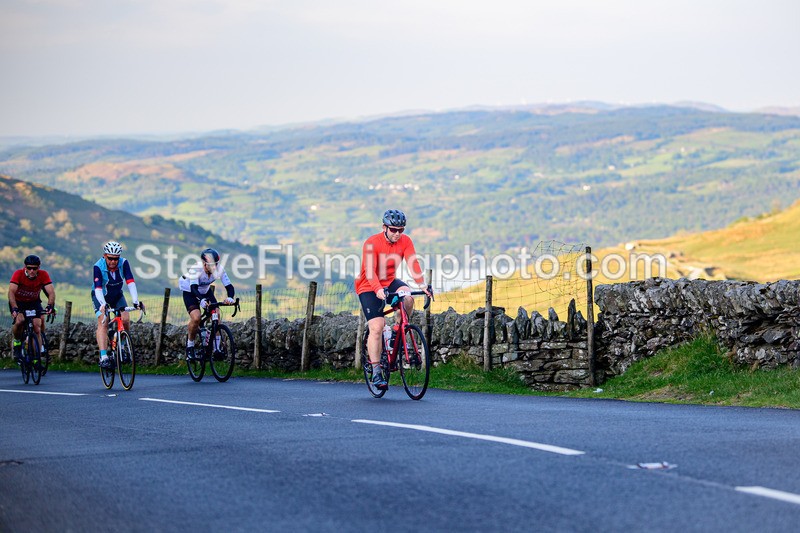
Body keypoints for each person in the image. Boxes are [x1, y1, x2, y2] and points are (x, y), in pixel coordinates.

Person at [355, 209, 432, 390]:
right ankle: (376, 371)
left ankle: (397, 333)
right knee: (377, 326)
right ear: (384, 227)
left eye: (401, 230)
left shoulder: (405, 241)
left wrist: (421, 285)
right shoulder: (371, 243)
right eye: (393, 230)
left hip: (389, 281)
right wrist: (377, 290)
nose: (397, 234)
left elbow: (413, 263)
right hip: (368, 285)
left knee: (408, 298)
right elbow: (370, 271)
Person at [92, 241, 144, 368]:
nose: (113, 261)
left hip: (117, 295)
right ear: (105, 256)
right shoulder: (98, 266)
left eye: (116, 259)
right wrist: (103, 304)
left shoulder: (124, 263)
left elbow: (130, 282)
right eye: (110, 258)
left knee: (125, 319)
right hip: (100, 297)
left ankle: (122, 347)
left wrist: (136, 301)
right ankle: (104, 357)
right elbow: (98, 289)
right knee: (103, 322)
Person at [179, 248, 236, 360]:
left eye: (215, 265)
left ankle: (216, 349)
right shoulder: (196, 268)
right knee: (196, 318)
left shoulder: (219, 269)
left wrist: (230, 297)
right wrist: (201, 300)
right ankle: (190, 347)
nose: (213, 268)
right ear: (204, 263)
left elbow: (229, 286)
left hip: (205, 290)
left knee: (217, 314)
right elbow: (194, 288)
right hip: (190, 291)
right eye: (210, 265)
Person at [8, 254, 56, 364]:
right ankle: (17, 342)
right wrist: (15, 308)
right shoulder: (18, 274)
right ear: (25, 267)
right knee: (20, 321)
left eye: (35, 268)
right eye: (29, 268)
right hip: (18, 302)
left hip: (33, 302)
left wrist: (50, 305)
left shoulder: (43, 275)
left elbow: (51, 292)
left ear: (39, 267)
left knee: (37, 328)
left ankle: (36, 358)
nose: (32, 271)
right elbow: (11, 292)